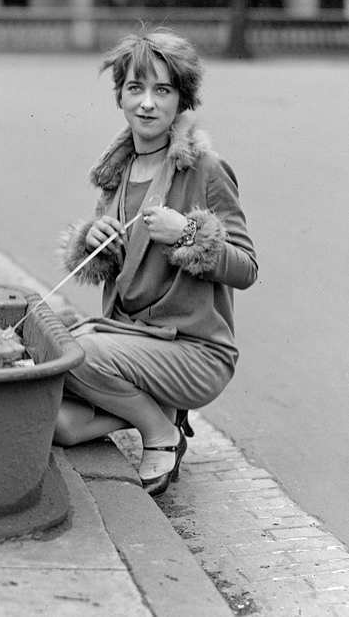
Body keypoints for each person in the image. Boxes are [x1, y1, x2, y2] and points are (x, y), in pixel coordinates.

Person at [54, 29, 257, 497]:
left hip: (193, 350)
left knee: (75, 354)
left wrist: (186, 232)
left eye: (162, 90)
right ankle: (161, 411)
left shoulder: (205, 169)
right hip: (130, 340)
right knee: (60, 423)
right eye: (135, 89)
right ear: (120, 97)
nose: (147, 103)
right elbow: (122, 266)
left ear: (181, 100)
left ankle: (161, 434)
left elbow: (246, 268)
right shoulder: (117, 175)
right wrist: (94, 242)